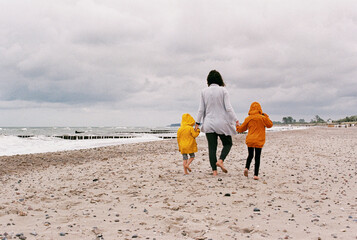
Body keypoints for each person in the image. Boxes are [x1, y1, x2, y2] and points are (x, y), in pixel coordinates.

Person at [195, 70, 239, 176]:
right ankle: (220, 160)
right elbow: (228, 108)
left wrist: (197, 123)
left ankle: (214, 172)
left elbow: (201, 109)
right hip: (222, 123)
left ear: (208, 80)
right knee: (228, 143)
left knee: (212, 148)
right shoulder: (223, 91)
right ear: (219, 79)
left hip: (208, 123)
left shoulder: (203, 91)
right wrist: (236, 120)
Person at [236, 102, 273, 180]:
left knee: (250, 155)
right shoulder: (262, 118)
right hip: (259, 140)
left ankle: (246, 168)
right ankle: (255, 175)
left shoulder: (248, 118)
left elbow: (241, 129)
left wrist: (237, 125)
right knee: (257, 157)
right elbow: (270, 125)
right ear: (259, 109)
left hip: (250, 139)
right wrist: (265, 115)